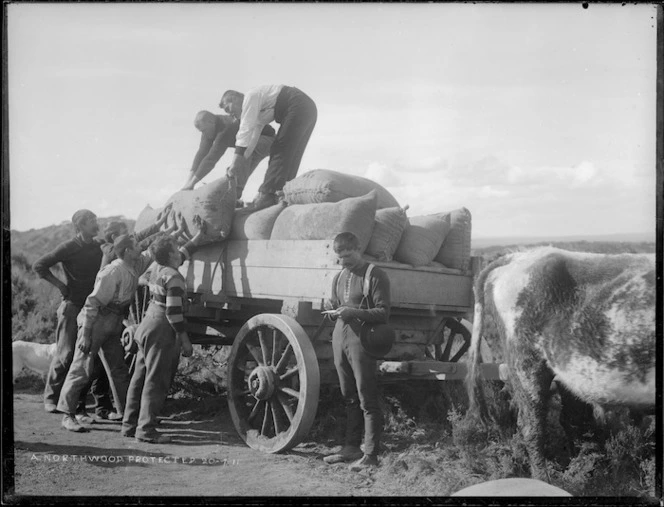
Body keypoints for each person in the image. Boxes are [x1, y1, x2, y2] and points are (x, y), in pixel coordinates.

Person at [57, 217, 207, 433]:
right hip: (97, 321)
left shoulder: (135, 264)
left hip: (115, 322)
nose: (140, 247)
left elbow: (163, 253)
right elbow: (92, 303)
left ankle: (129, 416)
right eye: (136, 245)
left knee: (118, 370)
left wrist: (181, 233)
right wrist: (86, 334)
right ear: (127, 251)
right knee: (82, 366)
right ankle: (68, 414)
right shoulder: (112, 272)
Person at [121, 222, 206, 443]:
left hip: (146, 325)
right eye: (176, 250)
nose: (180, 252)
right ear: (170, 256)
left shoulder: (158, 268)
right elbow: (174, 314)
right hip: (161, 329)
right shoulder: (175, 278)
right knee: (156, 381)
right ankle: (146, 431)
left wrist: (197, 237)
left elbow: (182, 255)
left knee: (139, 377)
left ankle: (129, 424)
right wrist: (185, 341)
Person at [33, 209, 112, 422]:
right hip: (73, 305)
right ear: (80, 225)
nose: (96, 224)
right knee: (66, 352)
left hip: (92, 308)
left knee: (87, 356)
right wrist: (60, 285)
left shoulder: (98, 245)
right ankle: (51, 397)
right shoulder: (69, 247)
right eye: (92, 221)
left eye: (96, 220)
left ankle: (76, 401)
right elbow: (39, 265)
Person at [323, 232, 391, 471]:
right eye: (340, 257)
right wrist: (331, 308)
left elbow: (383, 313)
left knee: (366, 397)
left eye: (348, 255)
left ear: (359, 248)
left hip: (362, 339)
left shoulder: (375, 275)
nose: (344, 261)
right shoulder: (339, 276)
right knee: (348, 395)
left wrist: (354, 312)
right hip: (340, 337)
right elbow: (335, 304)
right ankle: (351, 447)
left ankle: (371, 455)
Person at [219, 85, 317, 211]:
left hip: (298, 103)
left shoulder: (250, 97)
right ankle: (284, 192)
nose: (231, 114)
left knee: (280, 148)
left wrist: (234, 164)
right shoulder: (258, 114)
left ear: (235, 98)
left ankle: (267, 195)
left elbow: (245, 130)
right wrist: (240, 162)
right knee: (292, 153)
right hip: (308, 108)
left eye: (228, 108)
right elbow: (251, 141)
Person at [180, 110, 276, 200]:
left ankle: (235, 195)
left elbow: (211, 159)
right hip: (253, 146)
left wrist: (192, 183)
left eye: (204, 130)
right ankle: (235, 195)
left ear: (211, 122)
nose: (203, 134)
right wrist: (188, 183)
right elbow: (201, 154)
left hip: (268, 140)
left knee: (240, 158)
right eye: (201, 132)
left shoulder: (226, 127)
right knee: (235, 174)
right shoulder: (208, 128)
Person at [100, 204, 174, 268]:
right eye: (124, 233)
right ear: (114, 237)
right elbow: (141, 244)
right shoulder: (110, 250)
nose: (128, 235)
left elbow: (139, 236)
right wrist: (165, 233)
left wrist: (158, 224)